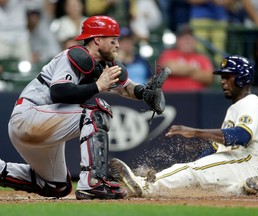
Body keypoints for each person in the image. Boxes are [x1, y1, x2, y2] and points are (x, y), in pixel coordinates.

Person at [0, 15, 166, 200]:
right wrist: (98, 86)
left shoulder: (104, 64)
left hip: (44, 126)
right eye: (113, 40)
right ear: (97, 40)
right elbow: (59, 93)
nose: (118, 45)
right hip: (28, 117)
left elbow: (126, 87)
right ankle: (93, 183)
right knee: (96, 112)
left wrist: (145, 94)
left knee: (56, 186)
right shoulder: (72, 56)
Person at [110, 55, 258, 197]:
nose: (223, 81)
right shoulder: (235, 107)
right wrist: (198, 162)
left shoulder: (251, 101)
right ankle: (242, 188)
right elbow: (216, 149)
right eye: (222, 77)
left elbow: (241, 136)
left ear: (242, 78)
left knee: (192, 172)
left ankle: (144, 186)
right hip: (239, 166)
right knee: (197, 178)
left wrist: (195, 132)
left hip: (246, 161)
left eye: (228, 76)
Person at [157, 25, 214, 92]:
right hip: (170, 96)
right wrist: (195, 70)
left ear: (195, 41)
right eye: (184, 38)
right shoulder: (168, 54)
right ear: (178, 41)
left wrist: (183, 71)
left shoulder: (202, 58)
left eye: (190, 38)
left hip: (196, 99)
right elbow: (170, 69)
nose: (187, 40)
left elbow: (209, 78)